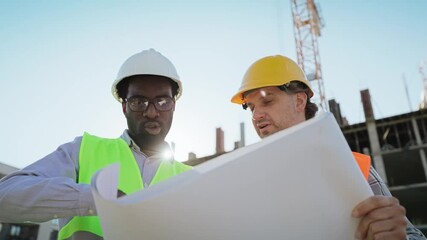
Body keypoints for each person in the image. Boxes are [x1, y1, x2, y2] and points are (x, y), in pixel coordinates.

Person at [0, 48, 192, 239]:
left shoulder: (192, 179)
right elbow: (4, 196)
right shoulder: (83, 150)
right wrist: (95, 199)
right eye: (139, 102)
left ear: (173, 105)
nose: (151, 112)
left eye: (162, 101)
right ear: (124, 107)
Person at [230, 54, 427, 240]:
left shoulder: (354, 167)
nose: (256, 116)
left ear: (299, 101)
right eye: (252, 107)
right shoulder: (247, 180)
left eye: (267, 101)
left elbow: (413, 235)